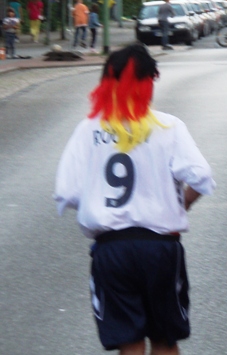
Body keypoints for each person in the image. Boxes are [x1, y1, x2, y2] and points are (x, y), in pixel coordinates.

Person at [54, 43, 215, 355]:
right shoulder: (169, 126)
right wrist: (180, 203)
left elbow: (68, 192)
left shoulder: (88, 129)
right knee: (165, 338)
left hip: (112, 250)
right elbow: (201, 176)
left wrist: (100, 202)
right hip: (160, 248)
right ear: (149, 83)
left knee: (129, 340)